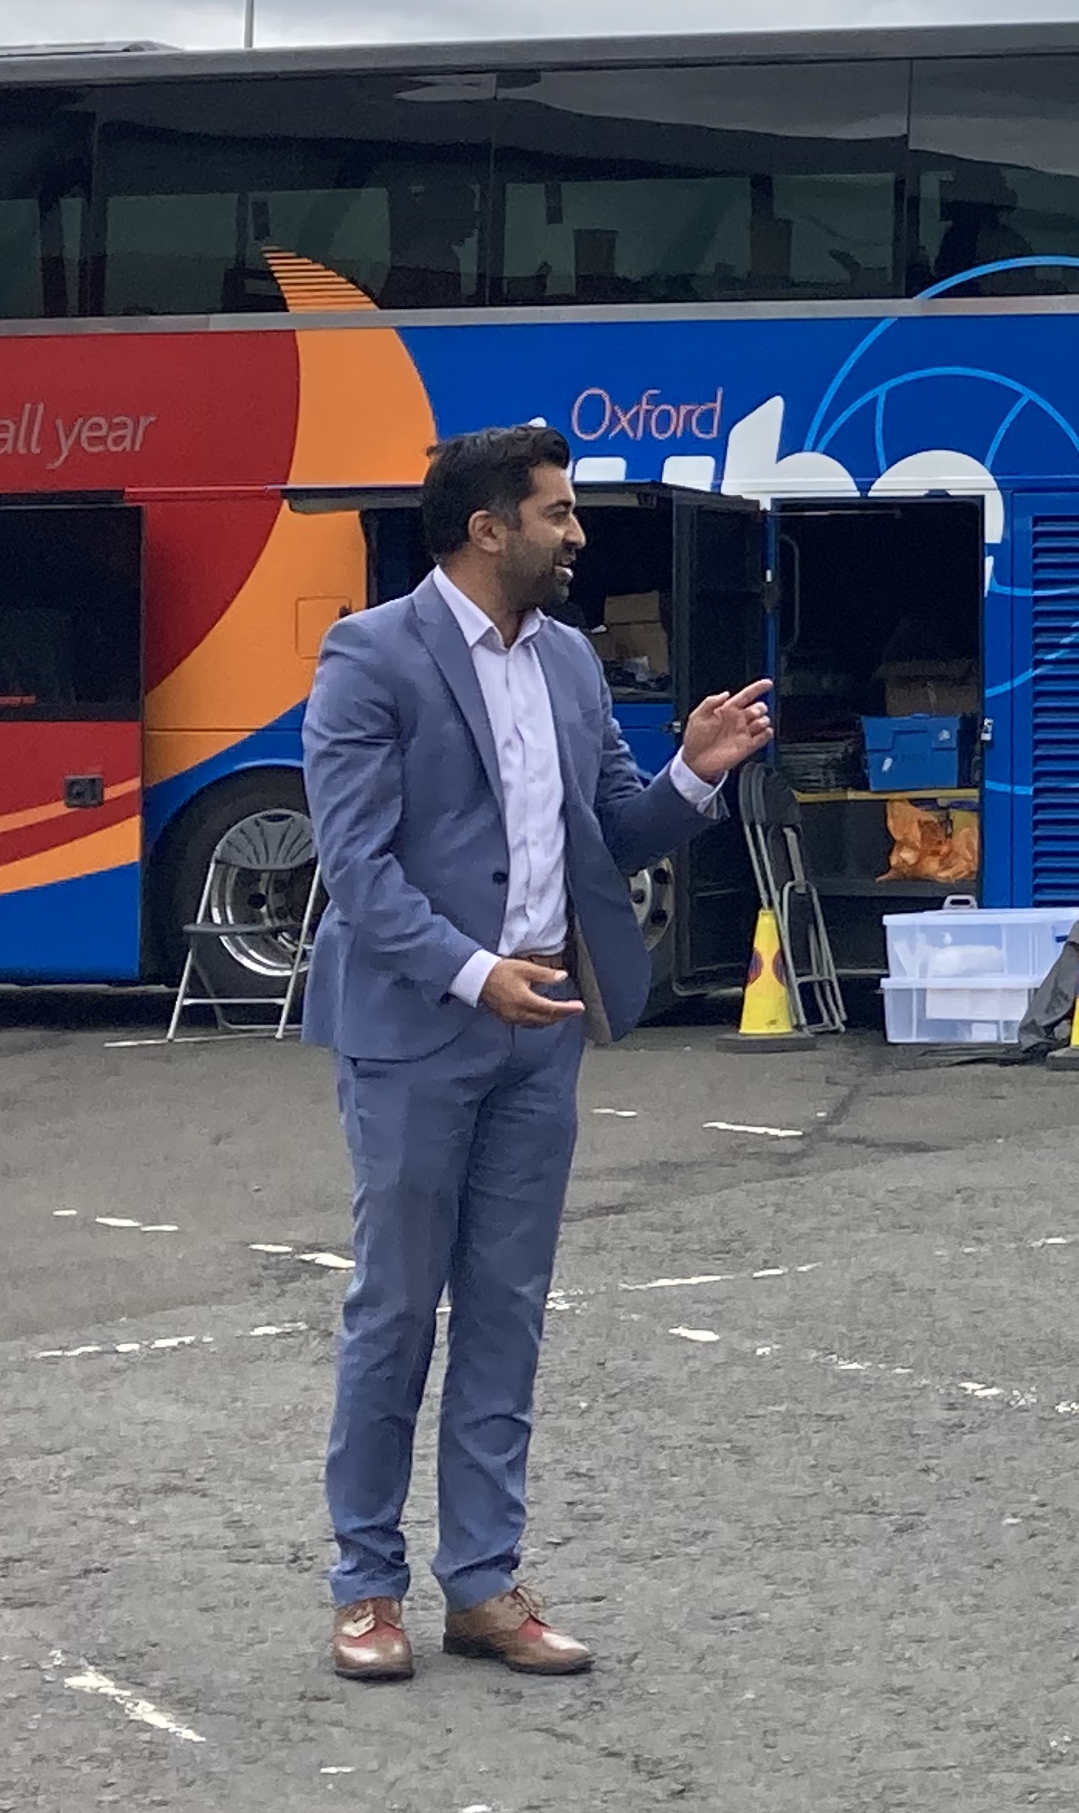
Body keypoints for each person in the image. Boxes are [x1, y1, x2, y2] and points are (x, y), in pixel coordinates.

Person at [302, 426, 775, 1680]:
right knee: (396, 1309)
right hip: (418, 1026)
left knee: (507, 1310)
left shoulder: (571, 661)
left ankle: (484, 1583)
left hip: (543, 1032)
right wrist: (473, 972)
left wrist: (691, 774)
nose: (578, 535)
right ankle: (367, 1587)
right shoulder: (369, 656)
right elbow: (354, 868)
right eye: (557, 515)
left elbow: (602, 835)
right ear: (485, 530)